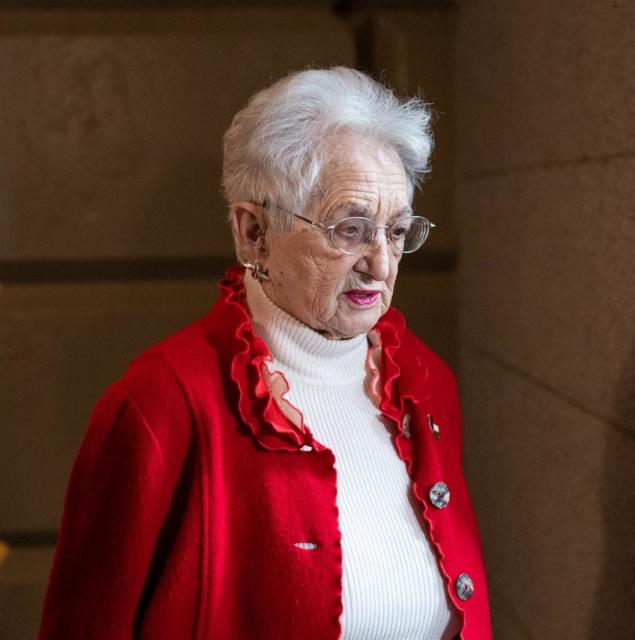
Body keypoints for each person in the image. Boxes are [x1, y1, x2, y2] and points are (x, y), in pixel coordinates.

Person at [39, 67, 491, 640]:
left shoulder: (425, 384)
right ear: (254, 232)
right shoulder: (159, 406)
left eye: (397, 231)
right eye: (350, 229)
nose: (381, 263)